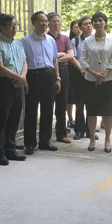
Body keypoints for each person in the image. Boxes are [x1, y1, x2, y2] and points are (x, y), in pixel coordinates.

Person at [0, 13, 28, 165]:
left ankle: (10, 149)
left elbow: (24, 62)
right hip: (4, 84)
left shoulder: (18, 43)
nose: (15, 28)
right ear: (2, 28)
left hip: (18, 83)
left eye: (15, 25)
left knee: (15, 117)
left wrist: (22, 78)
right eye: (11, 25)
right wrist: (18, 78)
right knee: (2, 118)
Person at [22, 11, 61, 154]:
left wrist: (57, 78)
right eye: (41, 21)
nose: (45, 23)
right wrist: (24, 80)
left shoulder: (50, 40)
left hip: (49, 75)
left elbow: (55, 60)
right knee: (31, 110)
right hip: (33, 75)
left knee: (48, 109)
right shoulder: (26, 40)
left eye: (46, 21)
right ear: (34, 23)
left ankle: (45, 141)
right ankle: (30, 143)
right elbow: (23, 62)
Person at [79, 12, 112, 152]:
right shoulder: (87, 41)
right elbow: (83, 60)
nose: (97, 23)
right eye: (95, 21)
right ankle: (91, 139)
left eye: (100, 20)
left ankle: (107, 140)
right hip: (91, 80)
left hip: (108, 80)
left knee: (108, 112)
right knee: (91, 111)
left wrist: (104, 75)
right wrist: (95, 74)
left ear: (105, 22)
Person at [47, 12, 74, 143]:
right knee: (47, 104)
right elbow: (46, 57)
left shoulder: (65, 38)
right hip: (49, 73)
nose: (57, 23)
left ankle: (61, 133)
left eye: (58, 21)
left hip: (63, 72)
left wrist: (55, 58)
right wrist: (60, 54)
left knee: (62, 104)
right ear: (48, 23)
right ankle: (46, 135)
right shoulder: (45, 38)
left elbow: (71, 55)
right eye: (54, 21)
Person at [71, 16, 95, 141]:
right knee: (80, 104)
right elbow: (73, 57)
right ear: (80, 27)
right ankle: (79, 130)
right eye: (85, 24)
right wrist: (82, 69)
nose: (89, 26)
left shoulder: (96, 39)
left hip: (93, 75)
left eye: (90, 23)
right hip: (80, 75)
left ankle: (90, 130)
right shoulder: (75, 40)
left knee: (92, 104)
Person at [67, 20, 81, 128]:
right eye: (75, 27)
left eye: (79, 27)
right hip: (72, 73)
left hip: (83, 72)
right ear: (71, 29)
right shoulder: (71, 40)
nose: (78, 29)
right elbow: (72, 58)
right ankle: (71, 119)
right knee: (71, 98)